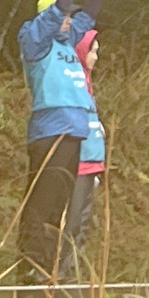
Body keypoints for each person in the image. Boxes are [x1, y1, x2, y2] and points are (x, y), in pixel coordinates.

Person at [17, 0, 113, 298]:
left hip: (74, 132)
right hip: (51, 130)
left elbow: (88, 16)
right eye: (62, 15)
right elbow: (59, 11)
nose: (69, 21)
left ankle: (51, 269)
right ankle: (34, 268)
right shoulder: (35, 40)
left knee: (63, 212)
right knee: (44, 209)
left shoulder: (65, 40)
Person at [58, 28, 105, 282]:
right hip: (78, 162)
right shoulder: (72, 82)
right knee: (73, 220)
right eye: (92, 51)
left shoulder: (87, 82)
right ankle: (63, 272)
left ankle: (73, 270)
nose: (95, 57)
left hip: (91, 162)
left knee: (83, 223)